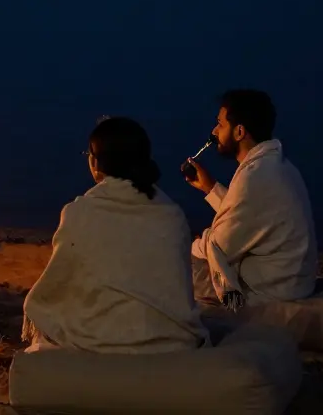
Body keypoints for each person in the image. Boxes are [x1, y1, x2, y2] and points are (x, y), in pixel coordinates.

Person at [22, 117, 207, 354]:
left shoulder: (80, 212)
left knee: (43, 334)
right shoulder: (172, 215)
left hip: (102, 341)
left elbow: (57, 288)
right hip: (172, 343)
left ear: (95, 163)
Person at [184, 89, 317, 310]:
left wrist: (192, 245)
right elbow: (248, 216)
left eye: (220, 124)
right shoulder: (275, 165)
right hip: (292, 279)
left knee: (174, 268)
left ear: (238, 132)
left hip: (272, 288)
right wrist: (210, 188)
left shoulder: (254, 176)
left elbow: (222, 245)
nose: (214, 131)